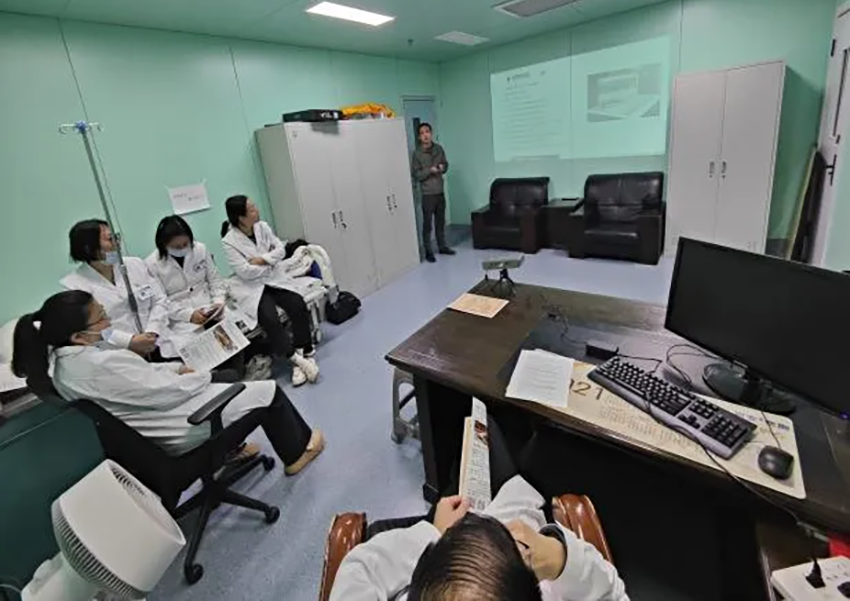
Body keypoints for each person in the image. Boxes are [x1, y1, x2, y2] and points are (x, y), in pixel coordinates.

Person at [11, 290, 325, 473]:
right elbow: (162, 392)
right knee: (268, 391)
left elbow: (143, 382)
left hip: (147, 428)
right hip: (180, 424)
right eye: (102, 317)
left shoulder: (65, 366)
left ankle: (229, 451)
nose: (108, 320)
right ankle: (298, 453)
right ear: (79, 336)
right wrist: (198, 376)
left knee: (228, 376)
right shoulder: (100, 363)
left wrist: (176, 370)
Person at [330, 417, 628, 601]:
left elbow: (362, 568)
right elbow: (613, 594)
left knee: (474, 451)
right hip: (516, 518)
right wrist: (558, 558)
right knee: (509, 442)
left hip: (454, 531)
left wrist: (433, 533)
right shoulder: (547, 587)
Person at [221, 195, 320, 387]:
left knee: (297, 304)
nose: (256, 210)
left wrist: (261, 260)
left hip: (274, 279)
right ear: (241, 218)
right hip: (252, 287)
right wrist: (270, 261)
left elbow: (281, 250)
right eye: (251, 209)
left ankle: (302, 353)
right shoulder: (229, 241)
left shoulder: (262, 227)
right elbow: (244, 271)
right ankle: (298, 360)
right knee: (269, 318)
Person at [61, 219, 170, 358]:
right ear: (88, 248)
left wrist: (153, 331)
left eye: (116, 237)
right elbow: (90, 331)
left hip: (158, 342)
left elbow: (160, 299)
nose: (117, 243)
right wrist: (129, 341)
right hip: (119, 354)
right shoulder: (74, 286)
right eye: (110, 239)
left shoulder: (134, 264)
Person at [411, 123, 455, 263]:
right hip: (428, 194)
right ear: (419, 137)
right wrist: (429, 170)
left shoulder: (438, 149)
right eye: (422, 133)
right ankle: (428, 251)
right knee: (427, 224)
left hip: (439, 191)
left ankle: (442, 246)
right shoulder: (417, 153)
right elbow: (416, 174)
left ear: (431, 133)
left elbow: (446, 165)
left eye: (427, 132)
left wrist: (443, 167)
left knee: (440, 222)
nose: (425, 135)